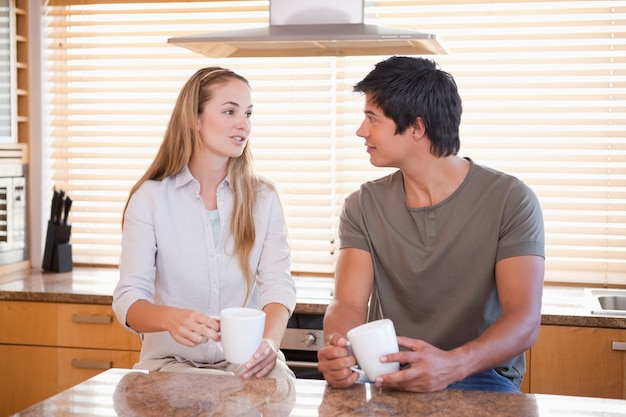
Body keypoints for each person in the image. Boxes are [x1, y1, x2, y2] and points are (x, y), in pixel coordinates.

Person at [317, 56, 545, 393]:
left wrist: (453, 365)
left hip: (480, 375)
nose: (361, 131)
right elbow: (348, 302)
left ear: (417, 128)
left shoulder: (510, 200)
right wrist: (340, 348)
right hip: (389, 372)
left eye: (372, 118)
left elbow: (523, 321)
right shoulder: (363, 205)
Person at [112, 67, 296, 380]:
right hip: (169, 365)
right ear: (194, 120)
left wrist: (269, 342)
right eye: (229, 111)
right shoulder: (151, 198)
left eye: (248, 113)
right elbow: (129, 297)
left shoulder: (263, 198)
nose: (244, 124)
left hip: (246, 366)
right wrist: (169, 319)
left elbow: (278, 284)